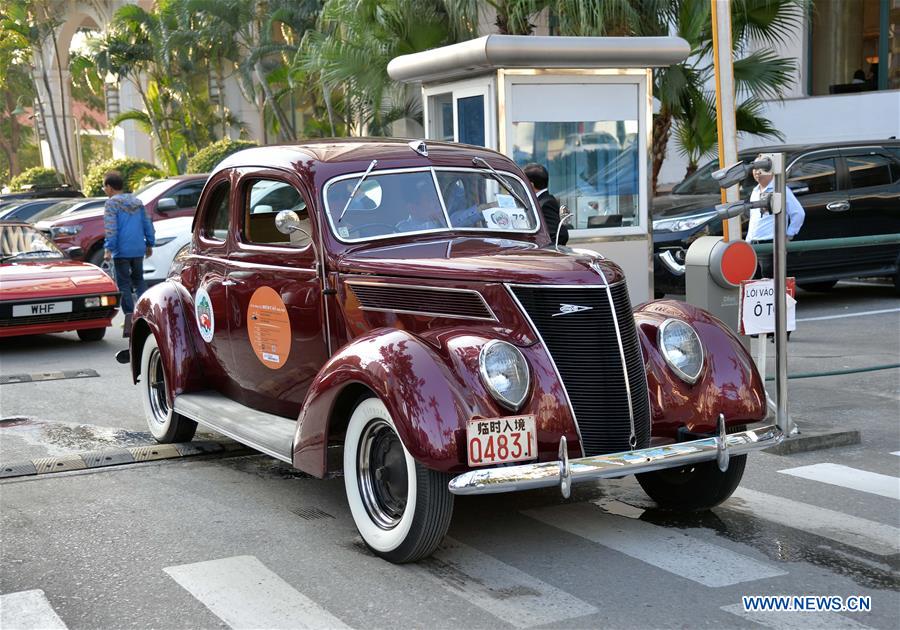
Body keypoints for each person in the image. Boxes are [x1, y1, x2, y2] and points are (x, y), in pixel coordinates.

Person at [102, 171, 154, 337]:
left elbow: (111, 228)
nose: (104, 190)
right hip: (138, 248)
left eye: (104, 186)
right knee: (139, 281)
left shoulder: (111, 204)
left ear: (109, 187)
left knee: (123, 284)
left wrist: (108, 249)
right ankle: (147, 312)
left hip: (121, 251)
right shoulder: (137, 202)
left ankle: (130, 320)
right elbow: (147, 223)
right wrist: (149, 243)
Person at [524, 163, 568, 246]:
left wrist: (547, 252)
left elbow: (560, 236)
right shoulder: (539, 201)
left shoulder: (546, 204)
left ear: (531, 185)